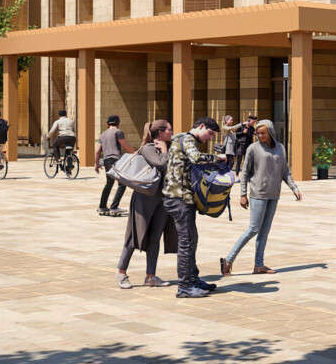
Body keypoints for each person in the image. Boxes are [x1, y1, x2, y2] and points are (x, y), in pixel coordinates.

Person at [221, 120, 300, 277]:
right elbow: (245, 173)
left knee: (264, 231)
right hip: (258, 194)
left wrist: (294, 189)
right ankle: (229, 260)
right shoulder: (253, 148)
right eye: (258, 133)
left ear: (270, 132)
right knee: (253, 229)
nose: (260, 136)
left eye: (263, 133)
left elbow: (285, 172)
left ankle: (259, 265)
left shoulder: (280, 148)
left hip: (274, 194)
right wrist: (242, 194)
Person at [162, 117, 227, 298]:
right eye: (210, 134)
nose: (209, 138)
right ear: (202, 126)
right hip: (180, 198)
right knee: (186, 242)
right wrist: (218, 158)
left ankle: (192, 279)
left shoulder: (180, 139)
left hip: (177, 197)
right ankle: (184, 286)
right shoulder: (188, 139)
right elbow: (196, 158)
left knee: (191, 239)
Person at [116, 119, 176, 290]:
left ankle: (150, 276)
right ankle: (121, 272)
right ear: (160, 132)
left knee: (155, 237)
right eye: (169, 130)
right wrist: (164, 150)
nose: (172, 132)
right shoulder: (149, 148)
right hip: (145, 197)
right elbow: (162, 164)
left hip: (161, 197)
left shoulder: (161, 148)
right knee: (135, 235)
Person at [98, 115, 137, 216]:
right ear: (118, 123)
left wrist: (96, 164)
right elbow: (125, 145)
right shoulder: (118, 132)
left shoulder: (103, 134)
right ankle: (114, 207)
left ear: (107, 124)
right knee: (122, 183)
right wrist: (135, 153)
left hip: (106, 160)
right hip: (116, 160)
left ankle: (102, 206)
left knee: (109, 183)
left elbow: (97, 151)